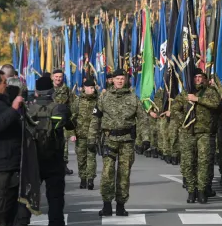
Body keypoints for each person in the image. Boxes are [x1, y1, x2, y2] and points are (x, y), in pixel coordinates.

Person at [15, 76, 74, 226]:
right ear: (52, 91)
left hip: (31, 160)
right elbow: (69, 124)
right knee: (55, 201)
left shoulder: (27, 109)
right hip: (54, 160)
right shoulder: (59, 108)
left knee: (26, 199)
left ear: (38, 91)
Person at [88, 69, 150, 217]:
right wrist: (92, 139)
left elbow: (143, 119)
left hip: (127, 141)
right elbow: (96, 119)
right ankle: (107, 205)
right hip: (109, 140)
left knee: (124, 174)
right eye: (117, 79)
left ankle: (121, 205)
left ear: (126, 80)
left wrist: (146, 138)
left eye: (122, 78)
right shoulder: (104, 97)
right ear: (112, 80)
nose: (120, 81)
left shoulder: (133, 98)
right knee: (107, 173)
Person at [170, 68, 220, 203]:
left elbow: (216, 104)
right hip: (187, 133)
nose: (198, 79)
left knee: (203, 163)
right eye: (195, 77)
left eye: (200, 76)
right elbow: (174, 109)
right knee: (187, 163)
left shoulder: (210, 92)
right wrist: (184, 121)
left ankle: (202, 190)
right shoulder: (185, 93)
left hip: (205, 133)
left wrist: (197, 99)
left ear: (204, 78)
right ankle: (191, 190)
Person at [0, 72, 24, 226]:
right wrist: (13, 109)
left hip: (9, 163)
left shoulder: (1, 101)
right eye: (3, 83)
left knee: (9, 208)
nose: (6, 85)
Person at [70, 78, 99, 190]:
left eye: (93, 88)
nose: (92, 90)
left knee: (91, 158)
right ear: (84, 88)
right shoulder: (78, 101)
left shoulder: (98, 101)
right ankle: (83, 179)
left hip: (93, 135)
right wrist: (72, 133)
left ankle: (90, 179)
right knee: (81, 158)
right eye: (90, 88)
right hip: (80, 134)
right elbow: (72, 118)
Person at [52, 68, 74, 175]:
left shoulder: (67, 90)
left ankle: (64, 165)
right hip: (51, 120)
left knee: (64, 143)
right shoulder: (49, 89)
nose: (58, 79)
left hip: (63, 120)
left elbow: (71, 105)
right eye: (56, 77)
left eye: (60, 77)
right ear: (52, 77)